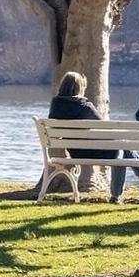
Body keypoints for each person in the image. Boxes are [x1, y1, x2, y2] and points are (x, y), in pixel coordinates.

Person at [46, 71, 121, 199]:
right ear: (80, 87)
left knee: (124, 149)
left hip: (75, 152)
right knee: (122, 151)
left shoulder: (56, 105)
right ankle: (118, 194)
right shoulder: (85, 106)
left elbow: (53, 126)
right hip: (94, 152)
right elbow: (103, 126)